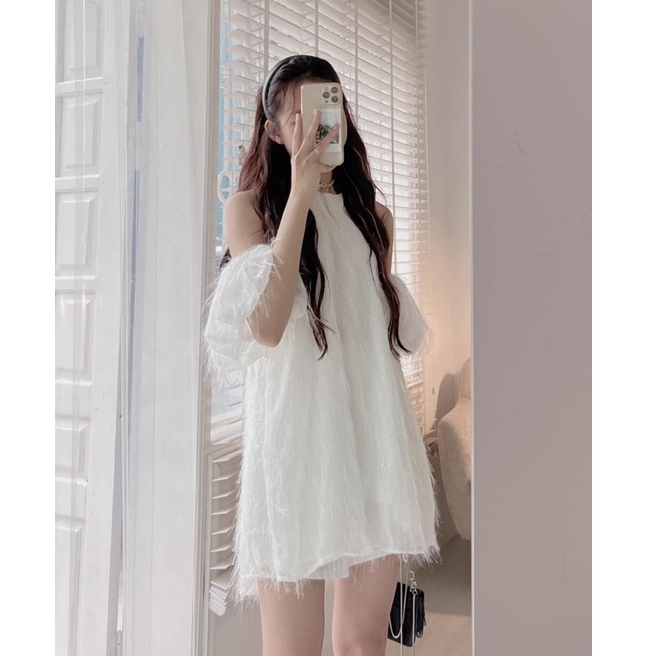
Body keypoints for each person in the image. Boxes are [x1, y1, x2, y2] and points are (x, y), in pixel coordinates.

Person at [204, 54, 441, 656]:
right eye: (300, 114)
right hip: (294, 450)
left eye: (328, 106)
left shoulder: (374, 218)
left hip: (373, 439)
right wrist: (300, 195)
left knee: (362, 645)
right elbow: (266, 327)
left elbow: (377, 339)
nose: (317, 124)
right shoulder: (248, 210)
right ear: (273, 129)